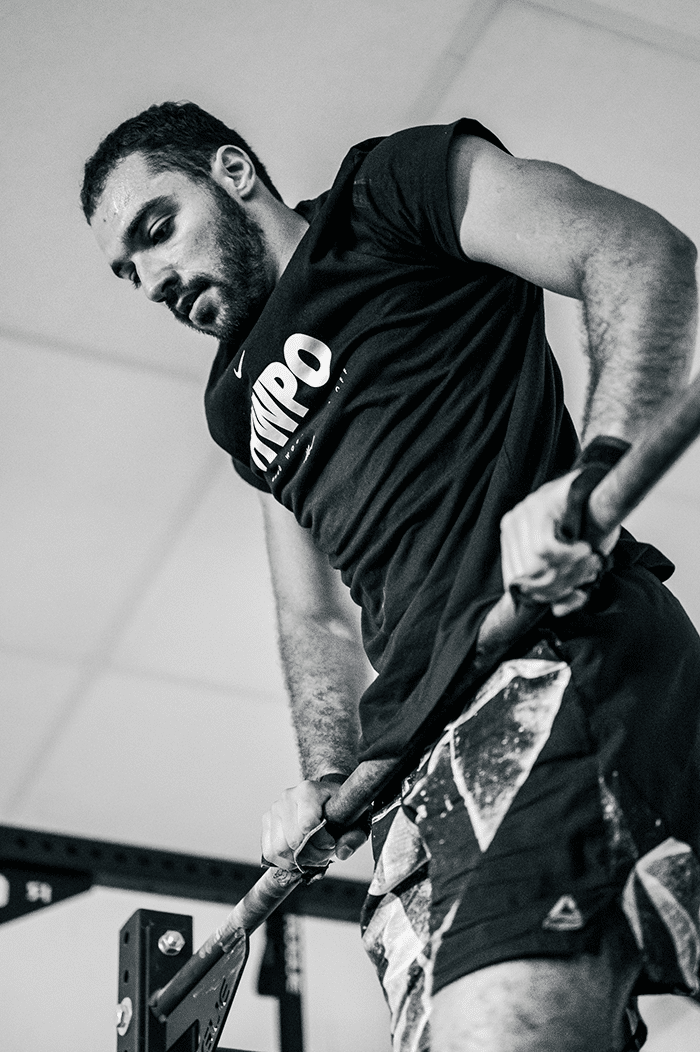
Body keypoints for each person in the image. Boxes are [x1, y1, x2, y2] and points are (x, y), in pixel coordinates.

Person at [82, 101, 700, 1052]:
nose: (155, 278)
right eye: (129, 273)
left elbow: (634, 250)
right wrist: (327, 775)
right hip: (417, 761)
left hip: (544, 665)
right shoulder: (234, 398)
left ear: (234, 173)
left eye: (158, 229)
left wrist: (597, 473)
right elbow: (314, 614)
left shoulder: (388, 194)